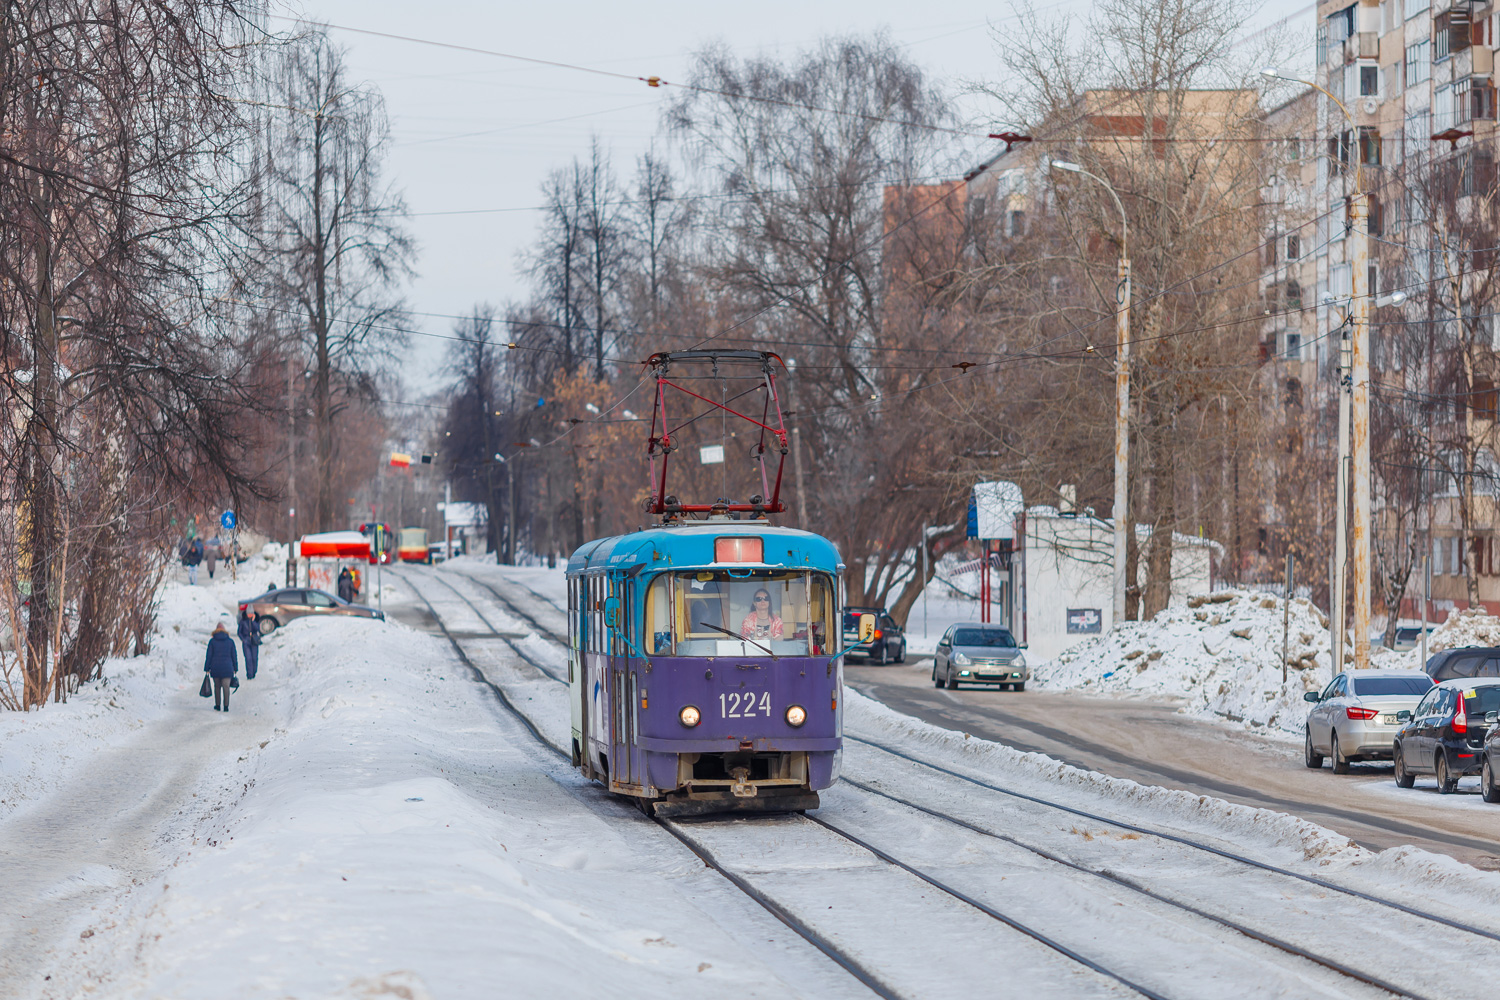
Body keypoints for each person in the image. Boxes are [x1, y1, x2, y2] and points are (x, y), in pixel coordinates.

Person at [203, 622, 238, 712]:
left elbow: (209, 656)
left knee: (217, 687)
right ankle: (226, 707)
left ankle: (217, 705)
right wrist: (235, 668)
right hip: (227, 668)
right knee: (226, 687)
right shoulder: (230, 641)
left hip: (215, 668)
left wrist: (207, 668)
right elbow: (234, 656)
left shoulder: (212, 641)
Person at [237, 608, 261, 680]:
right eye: (249, 613)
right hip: (246, 641)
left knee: (254, 658)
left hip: (254, 641)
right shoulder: (243, 621)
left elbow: (258, 629)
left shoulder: (256, 619)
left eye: (251, 613)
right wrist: (243, 639)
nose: (250, 615)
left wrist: (253, 621)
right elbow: (239, 632)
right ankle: (249, 674)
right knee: (248, 658)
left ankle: (254, 672)